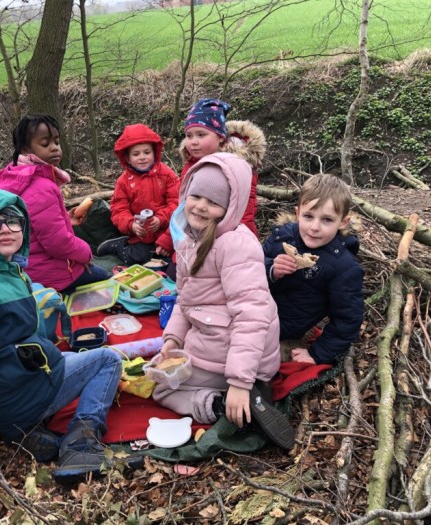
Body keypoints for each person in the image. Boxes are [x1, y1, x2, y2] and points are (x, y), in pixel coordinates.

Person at [0, 186, 137, 482]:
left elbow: (28, 335)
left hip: (12, 390)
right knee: (107, 360)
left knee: (70, 353)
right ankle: (80, 442)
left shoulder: (10, 272)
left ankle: (28, 433)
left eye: (12, 220)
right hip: (18, 396)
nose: (6, 229)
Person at [152, 152, 294, 450]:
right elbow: (185, 300)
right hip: (214, 338)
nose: (201, 206)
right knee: (163, 368)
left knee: (163, 389)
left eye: (213, 202)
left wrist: (240, 381)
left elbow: (252, 315)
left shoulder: (236, 245)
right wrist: (173, 340)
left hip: (239, 357)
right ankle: (235, 398)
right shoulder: (189, 239)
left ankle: (220, 404)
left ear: (231, 207)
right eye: (196, 196)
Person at [0, 114, 108, 295]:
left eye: (57, 142)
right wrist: (86, 253)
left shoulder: (10, 176)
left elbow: (34, 223)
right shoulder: (41, 187)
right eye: (45, 144)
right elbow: (58, 243)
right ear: (25, 149)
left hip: (22, 269)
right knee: (104, 277)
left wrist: (65, 219)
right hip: (48, 274)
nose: (54, 148)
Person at [155, 98, 267, 279]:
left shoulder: (237, 169)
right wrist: (169, 239)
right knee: (175, 277)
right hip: (191, 241)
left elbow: (243, 214)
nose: (193, 142)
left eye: (201, 135)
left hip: (224, 244)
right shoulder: (191, 165)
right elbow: (183, 209)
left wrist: (240, 251)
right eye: (189, 135)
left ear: (220, 138)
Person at [262, 173, 364, 365]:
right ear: (298, 212)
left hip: (283, 331)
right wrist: (271, 269)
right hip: (250, 313)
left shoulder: (344, 267)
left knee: (258, 362)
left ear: (343, 222)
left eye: (327, 220)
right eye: (308, 216)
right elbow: (249, 268)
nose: (315, 227)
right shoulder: (281, 237)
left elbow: (348, 318)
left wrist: (318, 354)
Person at [96, 124, 179, 264]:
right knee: (138, 257)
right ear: (127, 158)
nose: (142, 157)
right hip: (140, 235)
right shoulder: (123, 182)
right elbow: (119, 209)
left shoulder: (167, 175)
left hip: (167, 231)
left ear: (155, 153)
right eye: (136, 154)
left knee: (170, 257)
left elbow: (176, 202)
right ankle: (119, 246)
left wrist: (161, 219)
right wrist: (131, 225)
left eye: (147, 152)